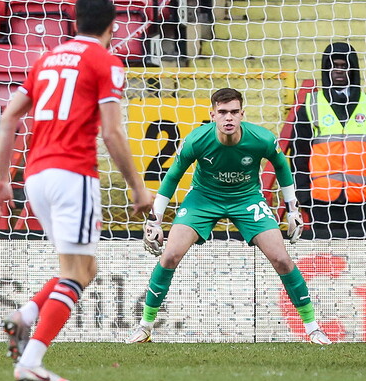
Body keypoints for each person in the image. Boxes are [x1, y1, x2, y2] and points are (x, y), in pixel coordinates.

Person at [0, 0, 153, 381]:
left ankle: (25, 316)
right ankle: (31, 360)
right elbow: (112, 133)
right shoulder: (107, 62)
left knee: (85, 268)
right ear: (114, 26)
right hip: (73, 173)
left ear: (74, 21)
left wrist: (1, 178)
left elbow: (9, 115)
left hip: (35, 176)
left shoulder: (47, 59)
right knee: (76, 273)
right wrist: (137, 188)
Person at [127, 88, 331, 346]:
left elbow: (281, 166)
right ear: (213, 115)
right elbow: (172, 177)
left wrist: (292, 209)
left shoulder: (262, 139)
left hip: (246, 198)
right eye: (222, 112)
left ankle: (313, 329)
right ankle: (145, 326)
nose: (229, 118)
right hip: (203, 198)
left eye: (234, 112)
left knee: (281, 258)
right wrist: (154, 220)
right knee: (169, 256)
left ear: (242, 114)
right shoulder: (196, 140)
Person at [289, 42, 366, 235]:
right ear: (327, 68)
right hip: (321, 202)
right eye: (334, 65)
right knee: (326, 260)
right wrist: (305, 197)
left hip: (362, 203)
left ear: (353, 69)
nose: (339, 71)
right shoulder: (311, 104)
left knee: (361, 259)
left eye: (344, 66)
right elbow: (298, 156)